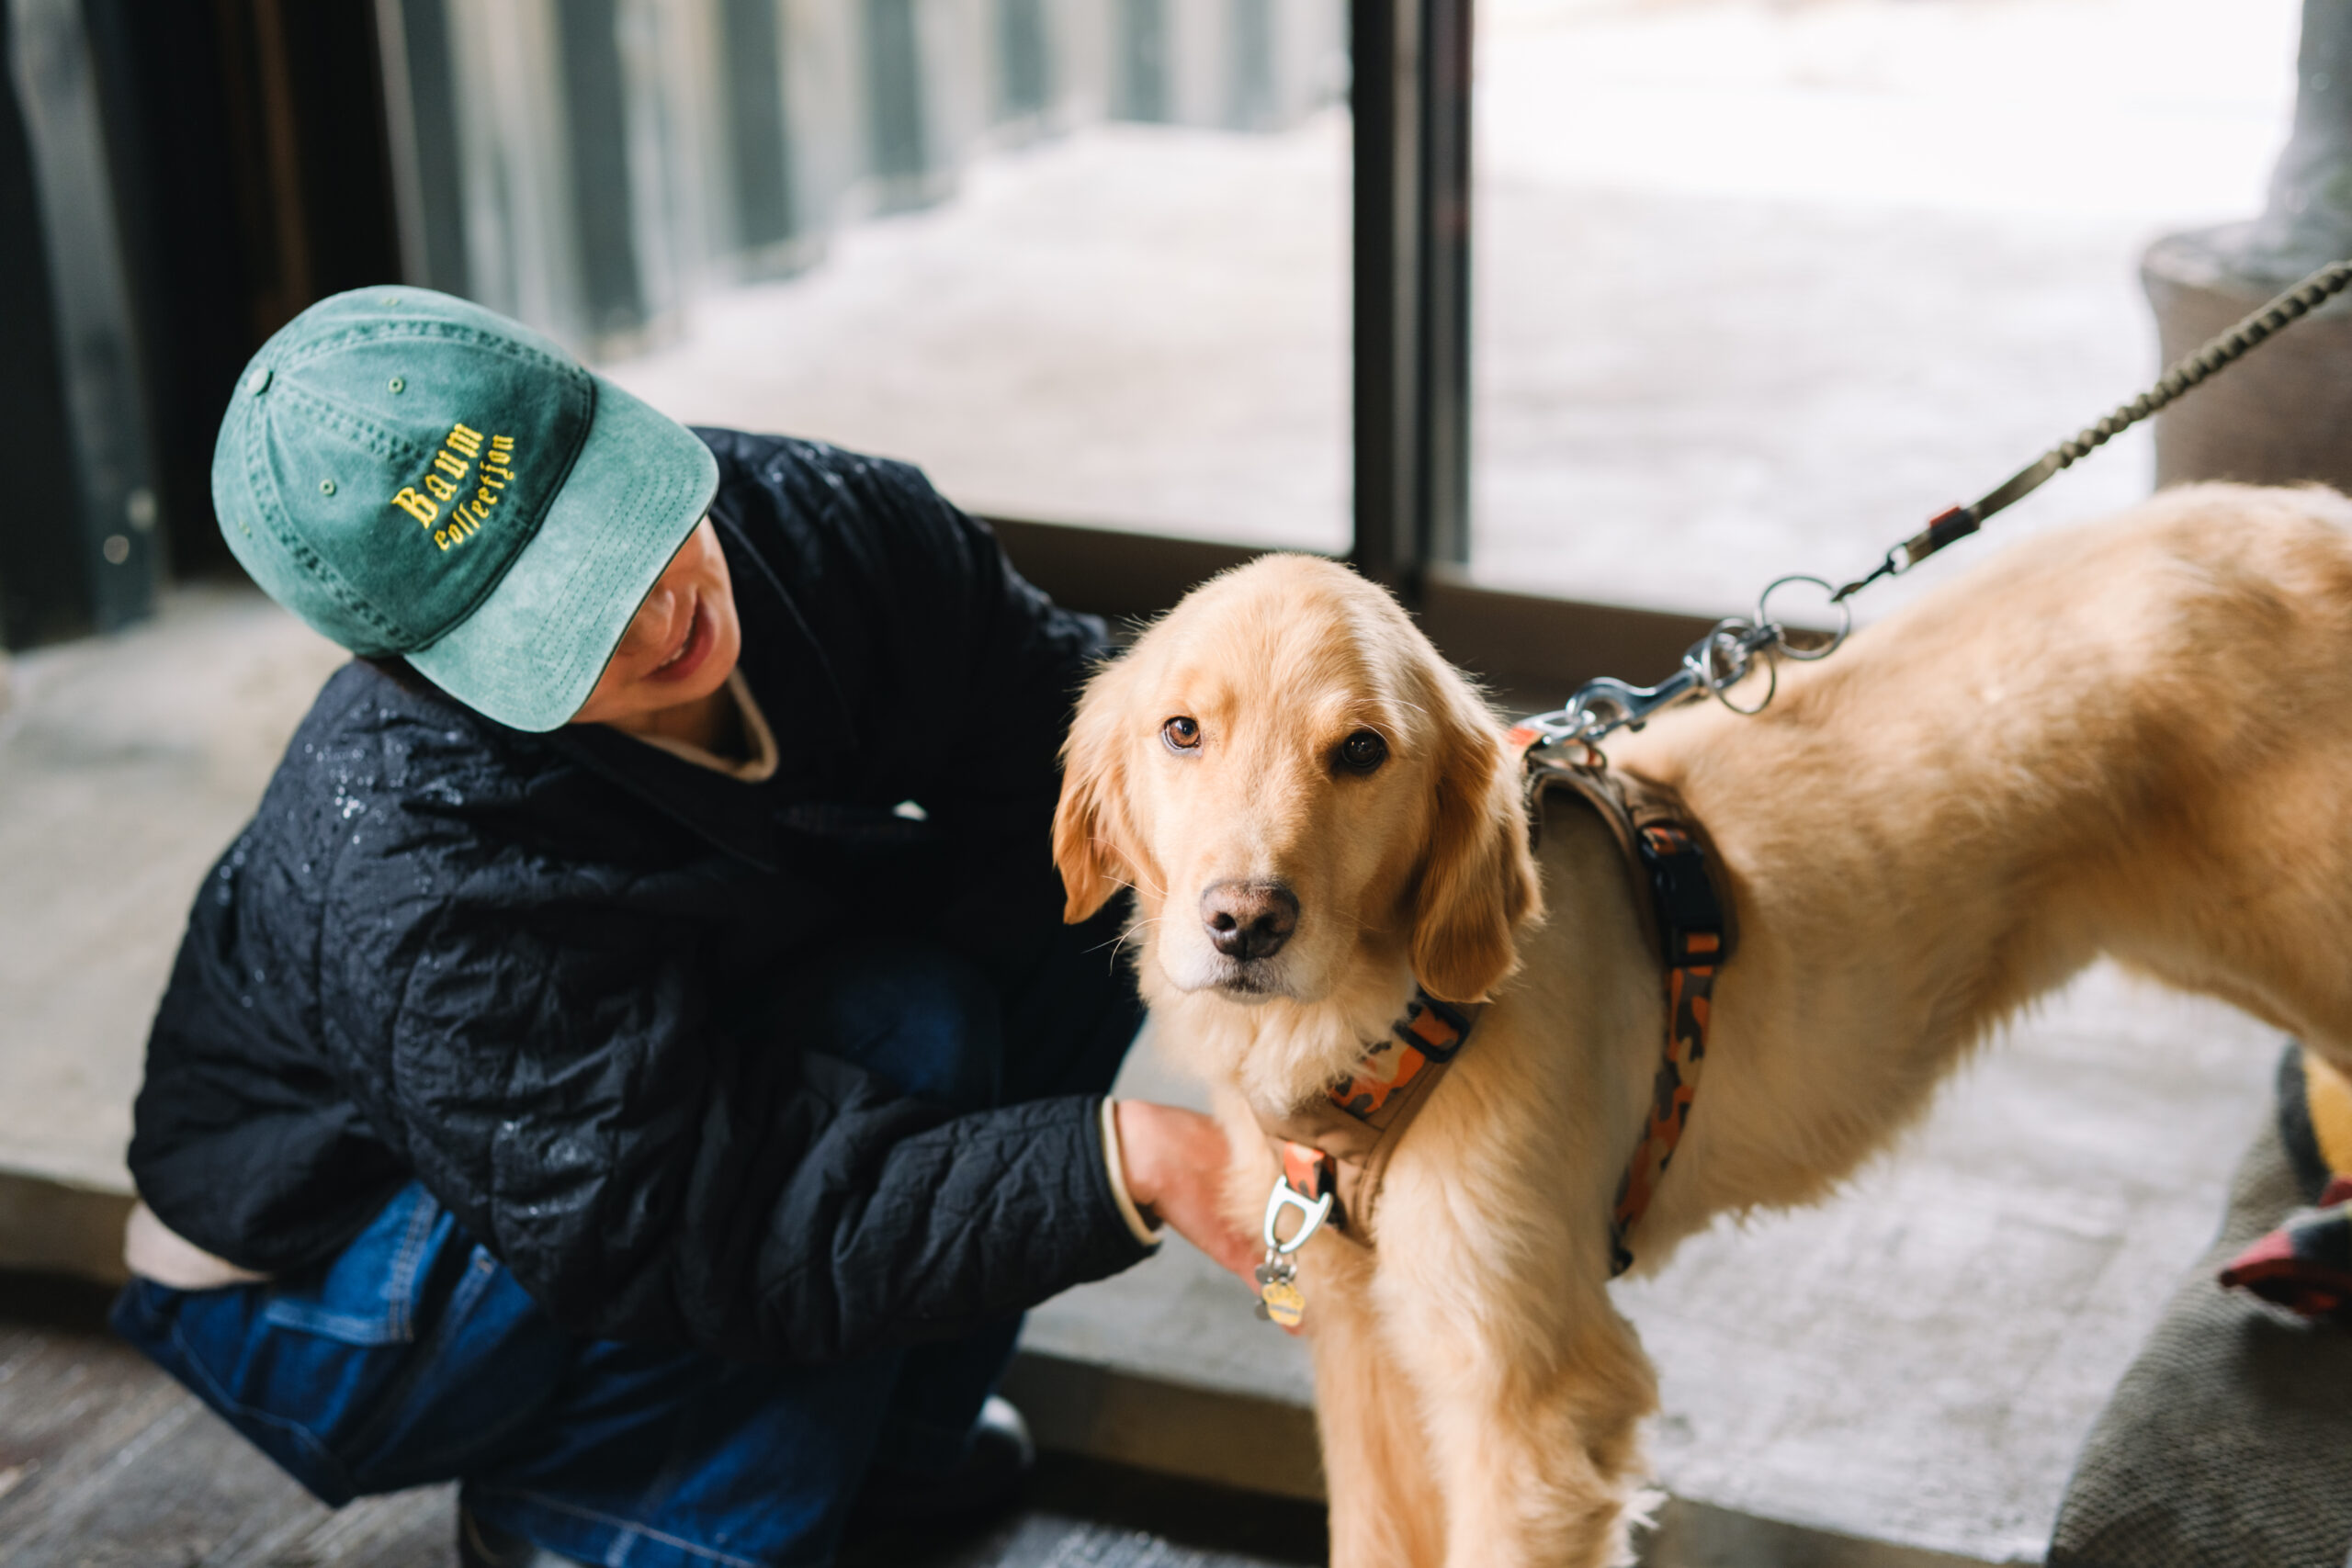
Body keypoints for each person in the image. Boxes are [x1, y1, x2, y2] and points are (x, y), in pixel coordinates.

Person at [109, 287, 1255, 1568]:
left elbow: (1084, 763)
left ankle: (893, 1446)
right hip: (321, 1281)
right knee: (895, 1032)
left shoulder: (826, 523)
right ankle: (604, 1528)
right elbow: (685, 1219)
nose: (662, 618)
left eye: (626, 529)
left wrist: (1337, 804)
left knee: (1089, 886)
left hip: (615, 1123)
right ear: (425, 667)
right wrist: (1123, 1163)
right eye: (568, 624)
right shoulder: (415, 863)